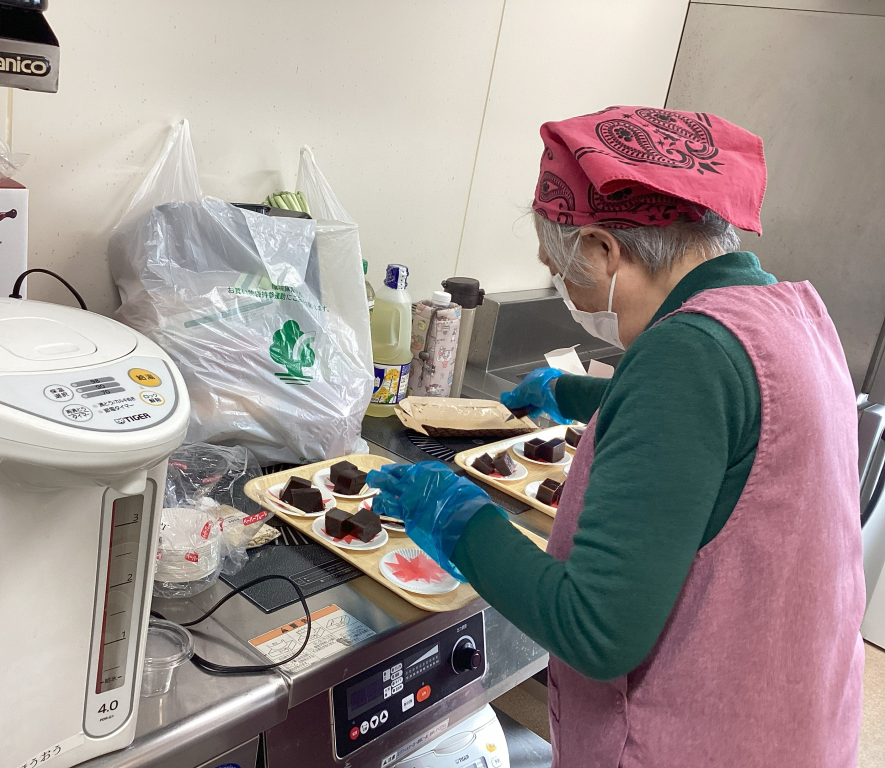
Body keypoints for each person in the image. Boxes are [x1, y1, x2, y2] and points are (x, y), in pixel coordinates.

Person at [369, 106, 865, 768]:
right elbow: (724, 434)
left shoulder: (685, 355)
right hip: (792, 721)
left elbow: (597, 630)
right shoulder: (786, 315)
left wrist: (461, 522)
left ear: (605, 250)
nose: (564, 291)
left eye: (560, 270)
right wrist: (566, 393)